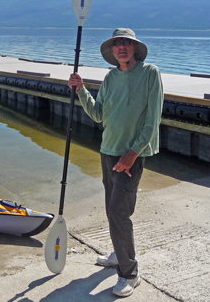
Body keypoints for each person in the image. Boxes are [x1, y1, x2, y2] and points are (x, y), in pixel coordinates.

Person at [68, 28, 163, 298]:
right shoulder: (110, 77)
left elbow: (152, 120)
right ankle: (119, 254)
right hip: (107, 151)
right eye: (117, 44)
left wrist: (132, 153)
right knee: (112, 210)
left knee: (120, 213)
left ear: (135, 48)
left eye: (127, 43)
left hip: (131, 156)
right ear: (112, 51)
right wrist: (81, 89)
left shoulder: (150, 73)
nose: (121, 47)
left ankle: (130, 273)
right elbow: (98, 114)